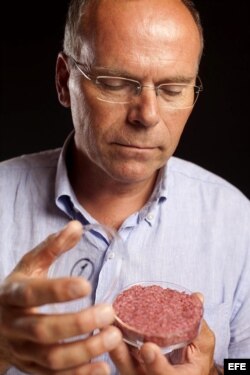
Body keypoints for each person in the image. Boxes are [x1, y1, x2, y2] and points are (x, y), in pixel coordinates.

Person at [0, 0, 249, 374]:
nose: (147, 115)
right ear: (63, 81)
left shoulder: (238, 221)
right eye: (116, 83)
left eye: (172, 89)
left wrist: (216, 372)